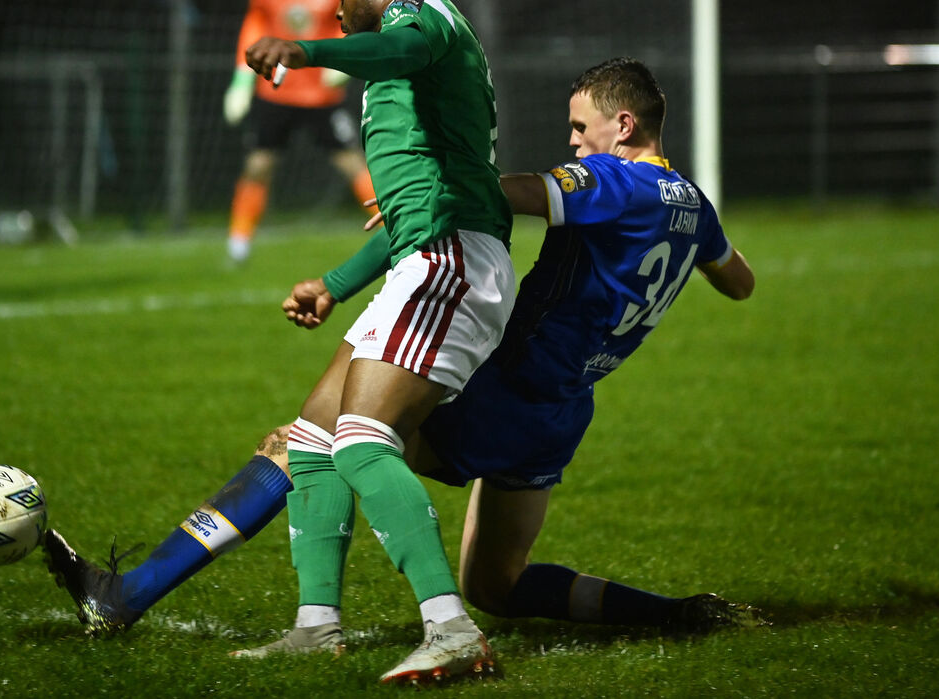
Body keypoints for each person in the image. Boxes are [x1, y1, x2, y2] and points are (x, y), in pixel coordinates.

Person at [43, 58, 761, 682]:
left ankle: (148, 596)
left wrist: (426, 187)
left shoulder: (612, 179)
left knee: (312, 439)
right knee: (499, 582)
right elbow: (740, 281)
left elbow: (524, 190)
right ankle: (676, 614)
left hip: (500, 386)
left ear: (625, 123)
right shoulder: (693, 206)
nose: (574, 140)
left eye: (581, 127)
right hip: (564, 407)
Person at [47, 0, 517, 684]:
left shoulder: (419, 14)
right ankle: (314, 625)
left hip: (453, 260)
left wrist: (306, 52)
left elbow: (401, 51)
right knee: (309, 440)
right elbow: (405, 215)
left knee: (364, 435)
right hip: (425, 257)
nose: (331, 10)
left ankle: (452, 627)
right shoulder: (400, 89)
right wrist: (334, 282)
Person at [222, 0, 375, 264]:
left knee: (354, 162)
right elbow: (256, 21)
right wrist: (242, 77)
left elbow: (350, 22)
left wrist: (344, 58)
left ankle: (396, 236)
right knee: (258, 164)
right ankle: (239, 242)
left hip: (321, 95)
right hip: (276, 89)